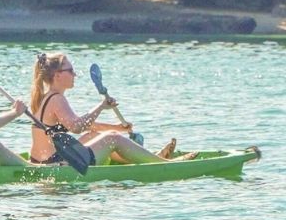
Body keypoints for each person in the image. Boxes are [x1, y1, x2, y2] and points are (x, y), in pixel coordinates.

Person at [28, 52, 194, 165]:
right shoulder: (57, 99)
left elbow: (83, 125)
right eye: (70, 71)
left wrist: (117, 127)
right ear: (57, 75)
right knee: (113, 138)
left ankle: (146, 159)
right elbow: (76, 127)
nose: (75, 74)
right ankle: (164, 164)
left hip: (42, 161)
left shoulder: (47, 97)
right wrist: (101, 107)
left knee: (96, 135)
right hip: (55, 164)